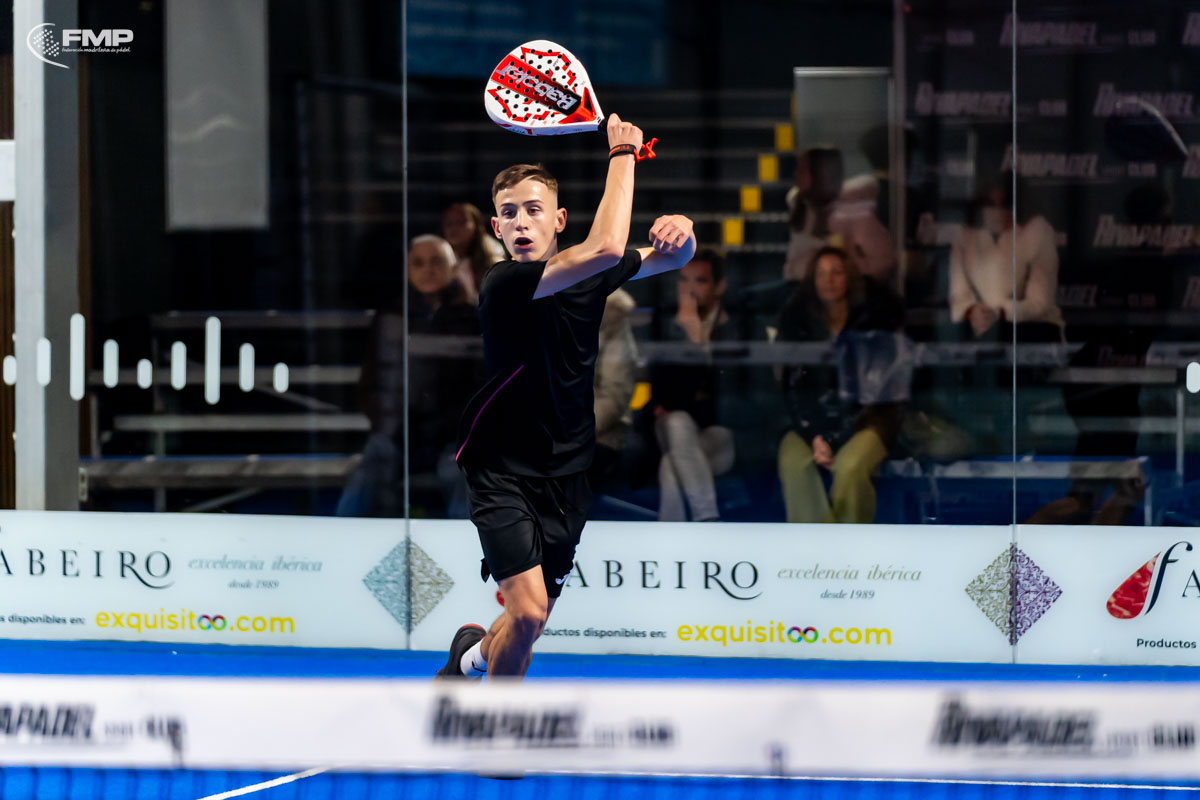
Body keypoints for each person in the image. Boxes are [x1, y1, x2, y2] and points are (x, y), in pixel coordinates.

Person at [436, 115, 697, 680]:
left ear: (558, 220)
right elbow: (607, 246)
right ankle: (497, 722)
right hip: (500, 467)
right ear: (496, 228)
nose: (521, 222)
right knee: (527, 610)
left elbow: (672, 259)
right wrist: (623, 153)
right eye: (509, 213)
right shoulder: (503, 284)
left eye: (534, 210)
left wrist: (683, 231)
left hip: (569, 468)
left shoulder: (589, 275)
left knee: (530, 622)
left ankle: (469, 658)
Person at [336, 235, 481, 518]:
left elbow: (481, 382)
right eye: (419, 263)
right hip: (399, 432)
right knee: (371, 466)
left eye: (436, 262)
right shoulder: (392, 316)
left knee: (462, 473)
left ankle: (463, 544)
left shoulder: (471, 317)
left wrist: (459, 426)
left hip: (453, 436)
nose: (428, 270)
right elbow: (371, 380)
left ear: (453, 268)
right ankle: (341, 540)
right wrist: (386, 422)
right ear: (407, 270)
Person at [777, 246, 906, 524]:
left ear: (849, 278)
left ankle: (850, 546)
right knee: (793, 463)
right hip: (813, 424)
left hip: (868, 421)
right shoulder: (800, 324)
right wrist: (814, 435)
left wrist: (834, 439)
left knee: (849, 467)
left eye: (836, 272)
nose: (828, 280)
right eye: (821, 274)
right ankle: (816, 547)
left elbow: (874, 394)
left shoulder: (872, 322)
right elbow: (793, 390)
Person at [649, 250, 737, 521]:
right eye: (683, 280)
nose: (689, 289)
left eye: (700, 281)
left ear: (719, 286)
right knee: (677, 423)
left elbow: (732, 401)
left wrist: (696, 338)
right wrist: (689, 337)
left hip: (718, 435)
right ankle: (707, 518)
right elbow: (667, 396)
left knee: (671, 465)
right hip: (673, 428)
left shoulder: (737, 326)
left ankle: (671, 537)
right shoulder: (665, 322)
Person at [948, 173, 1064, 343]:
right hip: (982, 335)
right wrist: (972, 311)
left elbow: (1040, 303)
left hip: (1032, 334)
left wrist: (999, 312)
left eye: (1005, 204)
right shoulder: (965, 237)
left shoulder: (1038, 231)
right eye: (990, 204)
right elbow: (958, 298)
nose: (997, 212)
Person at [589, 288, 638, 493]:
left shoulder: (611, 312)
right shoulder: (537, 300)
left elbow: (615, 394)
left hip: (597, 437)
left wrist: (572, 435)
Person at [782, 147, 843, 281]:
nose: (796, 174)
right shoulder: (797, 203)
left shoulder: (841, 214)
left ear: (821, 173)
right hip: (793, 280)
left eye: (802, 170)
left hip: (822, 284)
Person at [442, 202, 507, 303]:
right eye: (449, 223)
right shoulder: (437, 260)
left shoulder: (493, 261)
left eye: (461, 222)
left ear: (476, 226)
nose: (454, 228)